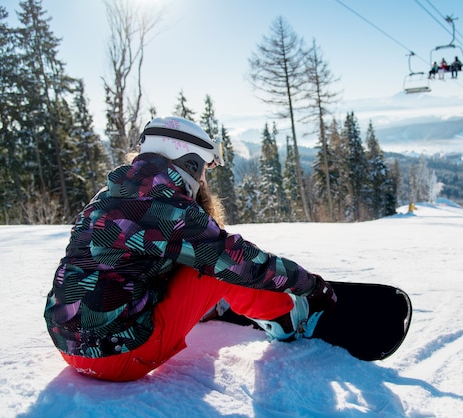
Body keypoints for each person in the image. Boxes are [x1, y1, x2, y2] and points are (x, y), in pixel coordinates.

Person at [44, 116, 337, 382]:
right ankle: (285, 316)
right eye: (203, 170)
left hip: (68, 345)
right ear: (189, 162)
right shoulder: (168, 207)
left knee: (188, 254)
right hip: (119, 356)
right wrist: (309, 284)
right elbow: (237, 260)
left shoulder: (108, 195)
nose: (202, 180)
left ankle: (209, 307)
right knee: (219, 265)